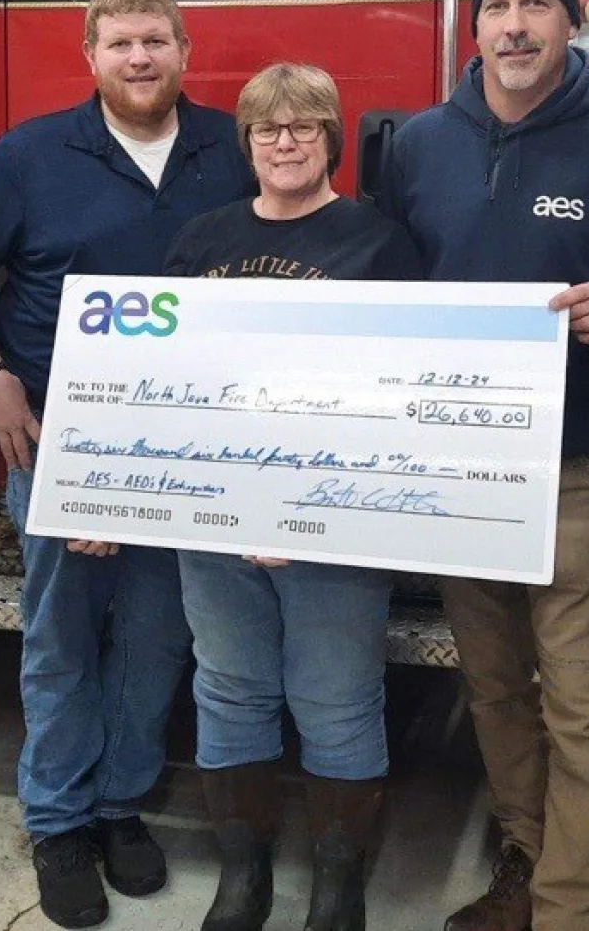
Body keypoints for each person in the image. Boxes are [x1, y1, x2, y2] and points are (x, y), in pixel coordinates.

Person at [0, 0, 253, 930]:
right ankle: (58, 820)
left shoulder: (227, 150)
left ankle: (120, 804)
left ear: (186, 51)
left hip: (186, 448)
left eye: (156, 41)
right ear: (91, 57)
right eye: (121, 44)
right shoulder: (32, 155)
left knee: (158, 636)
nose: (140, 59)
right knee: (62, 637)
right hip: (64, 443)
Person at [377, 0, 589, 931]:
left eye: (534, 5)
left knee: (583, 703)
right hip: (459, 467)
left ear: (569, 17)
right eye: (496, 8)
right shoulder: (421, 144)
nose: (513, 26)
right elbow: (391, 287)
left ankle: (572, 907)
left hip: (571, 468)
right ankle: (524, 856)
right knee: (495, 688)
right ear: (473, 25)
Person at [164, 62, 422, 931]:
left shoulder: (379, 244)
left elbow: (399, 395)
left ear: (331, 139)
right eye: (267, 129)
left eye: (304, 126)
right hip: (215, 524)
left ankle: (338, 887)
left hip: (335, 524)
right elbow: (167, 383)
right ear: (246, 143)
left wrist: (301, 506)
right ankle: (245, 878)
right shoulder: (200, 241)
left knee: (336, 697)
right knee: (230, 688)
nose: (285, 142)